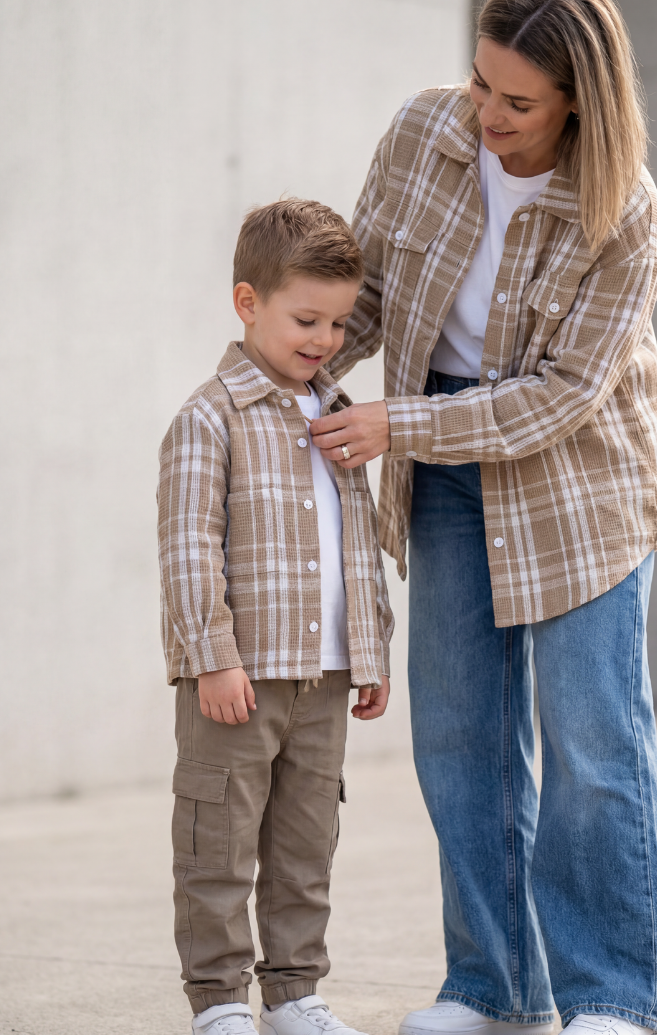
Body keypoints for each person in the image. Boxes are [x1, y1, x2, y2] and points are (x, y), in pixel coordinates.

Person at [310, 0, 657, 1035]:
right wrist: (290, 375)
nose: (487, 115)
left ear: (578, 103)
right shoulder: (425, 132)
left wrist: (395, 428)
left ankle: (612, 995)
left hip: (577, 481)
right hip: (441, 466)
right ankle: (493, 986)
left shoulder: (627, 208)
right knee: (462, 737)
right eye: (481, 85)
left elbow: (560, 397)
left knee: (593, 744)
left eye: (517, 103)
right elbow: (369, 294)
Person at [157, 198, 393, 1035]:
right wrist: (212, 657)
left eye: (337, 322)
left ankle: (297, 995)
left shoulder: (336, 417)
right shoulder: (209, 418)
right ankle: (219, 1001)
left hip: (325, 680)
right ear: (248, 303)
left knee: (304, 850)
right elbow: (189, 549)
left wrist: (371, 653)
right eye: (306, 318)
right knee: (218, 844)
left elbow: (356, 546)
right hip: (241, 679)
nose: (325, 339)